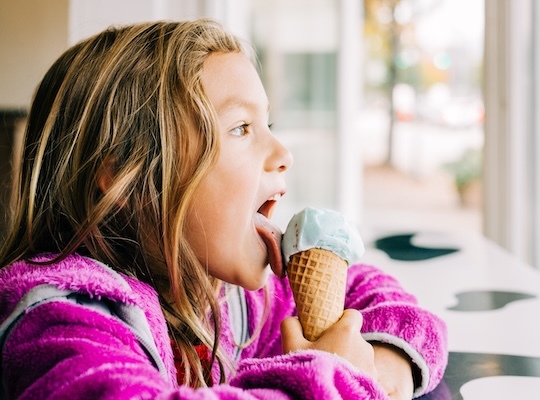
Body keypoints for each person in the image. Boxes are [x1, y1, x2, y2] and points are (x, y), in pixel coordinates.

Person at [0, 19, 447, 399]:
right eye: (241, 128)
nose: (282, 152)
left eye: (267, 124)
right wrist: (332, 381)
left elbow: (378, 295)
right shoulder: (58, 318)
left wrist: (385, 365)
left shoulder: (230, 301)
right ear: (124, 179)